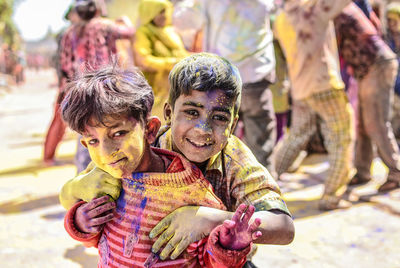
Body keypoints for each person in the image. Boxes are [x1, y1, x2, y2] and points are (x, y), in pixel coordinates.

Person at [59, 53, 294, 263]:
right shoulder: (137, 147)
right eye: (192, 112)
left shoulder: (235, 159)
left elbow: (284, 227)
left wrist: (206, 219)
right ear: (169, 114)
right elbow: (83, 195)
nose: (203, 129)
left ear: (233, 125)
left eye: (219, 117)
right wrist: (75, 191)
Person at [173, 0, 278, 175]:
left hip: (222, 78)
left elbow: (183, 20)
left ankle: (218, 187)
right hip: (254, 74)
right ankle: (262, 189)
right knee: (258, 138)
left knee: (216, 135)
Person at [274, 0, 355, 211]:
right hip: (323, 84)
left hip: (300, 87)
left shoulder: (281, 17)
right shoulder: (312, 8)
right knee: (342, 138)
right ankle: (332, 197)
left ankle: (268, 182)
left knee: (297, 136)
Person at [44, 0, 134, 169]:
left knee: (85, 129)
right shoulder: (107, 26)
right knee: (107, 126)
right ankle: (107, 167)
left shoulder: (70, 32)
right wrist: (125, 21)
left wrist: (67, 86)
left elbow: (64, 63)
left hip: (79, 86)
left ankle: (84, 170)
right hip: (105, 85)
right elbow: (130, 32)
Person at [334, 3, 400, 192]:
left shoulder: (336, 9)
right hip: (367, 67)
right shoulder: (340, 7)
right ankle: (363, 171)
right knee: (362, 123)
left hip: (376, 65)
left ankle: (396, 172)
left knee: (375, 122)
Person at [133, 0, 189, 124]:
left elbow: (181, 53)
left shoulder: (170, 31)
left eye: (165, 11)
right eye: (159, 12)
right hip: (158, 90)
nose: (164, 15)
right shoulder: (144, 32)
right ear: (149, 13)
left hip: (176, 87)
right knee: (159, 126)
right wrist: (172, 63)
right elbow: (144, 61)